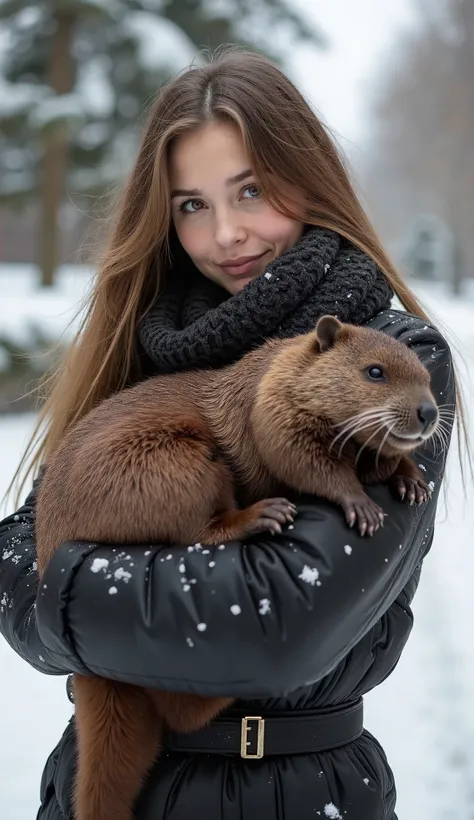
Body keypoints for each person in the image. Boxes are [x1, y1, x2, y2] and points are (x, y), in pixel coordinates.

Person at [0, 48, 458, 820]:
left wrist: (67, 592)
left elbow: (275, 627)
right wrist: (80, 590)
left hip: (291, 791)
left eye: (251, 190)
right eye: (191, 205)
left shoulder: (400, 359)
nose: (227, 235)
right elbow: (14, 560)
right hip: (107, 768)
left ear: (306, 175)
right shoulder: (143, 345)